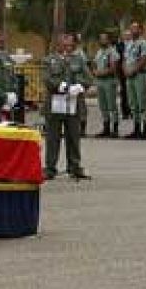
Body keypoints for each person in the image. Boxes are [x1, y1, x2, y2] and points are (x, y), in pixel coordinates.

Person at [42, 33, 90, 180]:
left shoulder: (79, 60)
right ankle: (50, 168)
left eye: (70, 45)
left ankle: (74, 167)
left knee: (74, 136)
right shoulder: (49, 60)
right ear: (58, 45)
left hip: (73, 103)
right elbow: (47, 78)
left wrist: (79, 86)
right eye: (64, 45)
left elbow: (88, 77)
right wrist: (61, 86)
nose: (68, 48)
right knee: (52, 138)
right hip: (55, 103)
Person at [122, 21, 146, 139]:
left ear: (141, 30)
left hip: (140, 75)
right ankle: (136, 128)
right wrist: (125, 69)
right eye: (131, 28)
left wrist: (133, 70)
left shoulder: (144, 44)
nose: (132, 30)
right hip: (129, 76)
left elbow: (144, 59)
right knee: (133, 103)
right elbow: (125, 58)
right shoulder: (129, 43)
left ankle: (145, 130)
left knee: (142, 102)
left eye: (135, 28)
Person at [91, 31, 122, 138]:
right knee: (103, 105)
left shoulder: (112, 52)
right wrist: (94, 71)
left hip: (109, 81)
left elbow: (114, 67)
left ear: (109, 40)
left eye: (104, 38)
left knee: (111, 105)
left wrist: (101, 72)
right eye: (101, 38)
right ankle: (106, 128)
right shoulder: (99, 51)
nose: (102, 41)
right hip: (100, 81)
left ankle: (115, 129)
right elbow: (94, 63)